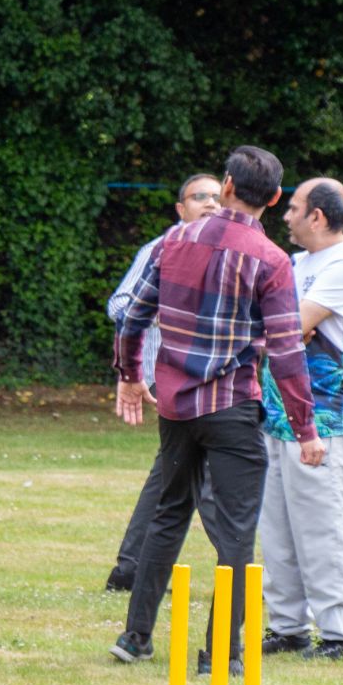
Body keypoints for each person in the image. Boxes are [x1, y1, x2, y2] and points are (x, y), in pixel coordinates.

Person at [111, 144, 325, 672]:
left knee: (167, 516)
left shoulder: (173, 239)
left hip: (177, 408)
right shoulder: (272, 261)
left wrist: (129, 376)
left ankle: (136, 637)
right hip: (231, 407)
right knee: (234, 534)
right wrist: (306, 429)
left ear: (226, 186)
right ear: (274, 199)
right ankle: (220, 653)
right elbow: (285, 351)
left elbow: (133, 316)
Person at [258, 177, 343, 660]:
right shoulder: (295, 263)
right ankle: (287, 627)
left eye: (294, 208)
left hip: (324, 419)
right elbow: (278, 326)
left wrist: (284, 328)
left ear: (318, 217)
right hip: (275, 413)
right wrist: (283, 328)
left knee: (326, 525)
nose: (285, 216)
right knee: (278, 527)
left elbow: (288, 326)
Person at [104, 173, 224, 593]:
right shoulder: (161, 247)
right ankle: (239, 568)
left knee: (173, 471)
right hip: (173, 380)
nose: (210, 203)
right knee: (209, 472)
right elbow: (120, 304)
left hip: (209, 378)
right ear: (181, 208)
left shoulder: (225, 251)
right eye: (199, 197)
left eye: (216, 197)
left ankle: (131, 568)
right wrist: (162, 310)